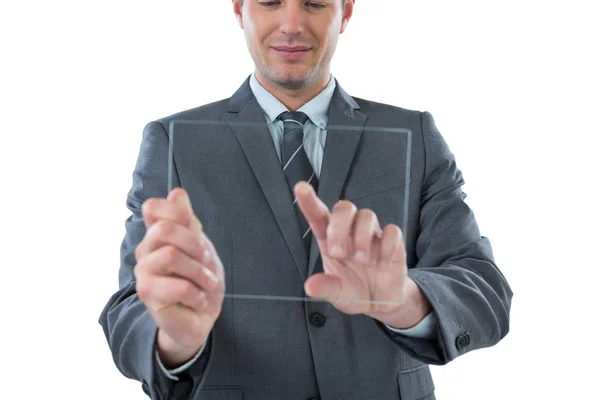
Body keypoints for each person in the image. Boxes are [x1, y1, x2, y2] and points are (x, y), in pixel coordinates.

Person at [99, 0, 513, 399]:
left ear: (345, 11)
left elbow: (484, 289)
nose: (292, 23)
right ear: (239, 9)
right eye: (270, 1)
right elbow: (129, 306)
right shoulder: (173, 142)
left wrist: (405, 299)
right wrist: (173, 340)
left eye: (314, 3)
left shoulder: (415, 135)